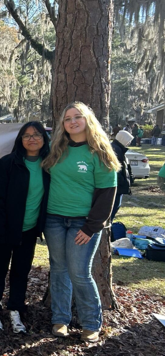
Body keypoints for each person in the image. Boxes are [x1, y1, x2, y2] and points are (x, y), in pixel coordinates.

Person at [41, 102, 118, 343]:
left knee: (79, 273)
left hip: (83, 223)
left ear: (87, 120)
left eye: (77, 117)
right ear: (62, 125)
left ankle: (91, 323)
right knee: (59, 270)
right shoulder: (57, 149)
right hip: (53, 220)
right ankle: (60, 319)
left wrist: (91, 227)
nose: (72, 122)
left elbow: (108, 193)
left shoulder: (100, 152)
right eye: (67, 119)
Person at [0, 122, 50, 333]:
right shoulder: (7, 164)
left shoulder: (49, 165)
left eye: (37, 134)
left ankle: (15, 310)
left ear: (44, 139)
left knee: (21, 272)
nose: (32, 139)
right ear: (20, 140)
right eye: (27, 135)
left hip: (29, 230)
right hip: (3, 229)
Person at [110, 129, 133, 221]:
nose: (129, 143)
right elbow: (115, 169)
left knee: (115, 208)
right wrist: (123, 182)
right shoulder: (115, 150)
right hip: (116, 186)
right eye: (128, 141)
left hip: (119, 187)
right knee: (112, 210)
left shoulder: (120, 149)